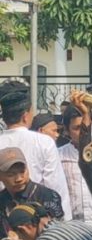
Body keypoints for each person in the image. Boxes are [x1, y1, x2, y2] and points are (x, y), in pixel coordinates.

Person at [0, 81, 72, 221]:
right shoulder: (43, 142)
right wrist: (65, 225)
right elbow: (56, 186)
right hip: (37, 221)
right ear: (26, 115)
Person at [0, 148, 66, 237]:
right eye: (11, 175)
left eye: (22, 171)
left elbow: (58, 234)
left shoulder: (48, 196)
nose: (19, 179)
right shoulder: (2, 200)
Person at [58, 104, 92, 229]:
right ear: (67, 130)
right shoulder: (59, 156)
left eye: (85, 126)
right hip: (71, 228)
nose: (82, 132)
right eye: (76, 128)